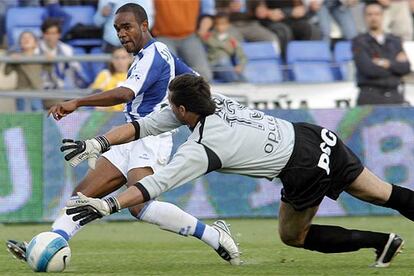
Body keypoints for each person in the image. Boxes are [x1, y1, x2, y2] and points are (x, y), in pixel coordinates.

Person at [62, 73, 414, 268]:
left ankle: (380, 242)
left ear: (184, 109)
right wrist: (99, 144)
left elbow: (155, 184)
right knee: (383, 192)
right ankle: (387, 242)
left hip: (302, 168)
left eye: (172, 105)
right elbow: (143, 127)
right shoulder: (215, 101)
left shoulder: (203, 149)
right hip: (317, 137)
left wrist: (108, 205)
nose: (168, 110)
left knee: (293, 237)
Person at [6, 3, 240, 267]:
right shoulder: (153, 55)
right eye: (117, 28)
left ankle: (214, 235)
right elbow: (196, 80)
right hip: (129, 136)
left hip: (151, 138)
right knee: (82, 195)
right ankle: (48, 244)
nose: (121, 33)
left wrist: (78, 102)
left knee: (140, 207)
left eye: (127, 27)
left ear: (144, 25)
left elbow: (126, 93)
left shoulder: (155, 52)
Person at [352, 2, 411, 105]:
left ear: (383, 16)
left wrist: (385, 63)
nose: (373, 18)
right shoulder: (359, 42)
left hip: (394, 96)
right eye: (369, 14)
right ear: (364, 17)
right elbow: (368, 69)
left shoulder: (395, 40)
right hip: (369, 96)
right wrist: (394, 65)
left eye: (377, 14)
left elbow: (405, 68)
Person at [151, 0, 213, 81]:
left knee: (205, 76)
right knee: (167, 74)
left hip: (189, 36)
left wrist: (203, 28)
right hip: (163, 36)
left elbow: (208, 13)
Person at [5, 31, 51, 111]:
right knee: (23, 118)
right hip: (21, 92)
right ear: (20, 44)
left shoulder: (40, 57)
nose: (26, 39)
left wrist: (48, 59)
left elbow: (49, 70)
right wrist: (10, 59)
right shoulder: (17, 57)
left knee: (37, 116)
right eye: (23, 38)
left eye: (29, 37)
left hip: (36, 93)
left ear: (36, 43)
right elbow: (6, 72)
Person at [38, 18, 88, 90]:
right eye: (47, 33)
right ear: (43, 34)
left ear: (59, 35)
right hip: (41, 86)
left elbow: (77, 69)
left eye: (54, 33)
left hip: (62, 86)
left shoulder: (66, 49)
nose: (50, 37)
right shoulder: (35, 47)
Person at [201, 13, 247, 82]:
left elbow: (241, 55)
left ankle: (239, 83)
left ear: (228, 24)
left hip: (226, 67)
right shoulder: (209, 36)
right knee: (223, 61)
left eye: (223, 24)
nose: (220, 27)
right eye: (217, 24)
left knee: (242, 77)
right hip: (212, 66)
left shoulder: (232, 40)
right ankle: (234, 81)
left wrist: (240, 65)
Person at [90, 47, 132, 112]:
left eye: (123, 58)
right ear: (112, 60)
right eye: (116, 58)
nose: (120, 61)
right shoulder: (105, 75)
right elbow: (95, 96)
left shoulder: (134, 76)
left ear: (130, 59)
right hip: (107, 114)